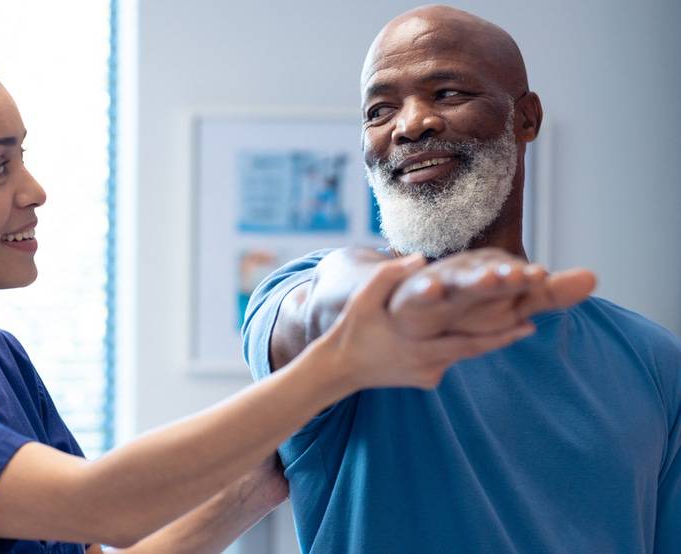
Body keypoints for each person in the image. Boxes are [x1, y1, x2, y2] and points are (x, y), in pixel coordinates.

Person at [0, 40, 546, 554]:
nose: (34, 191)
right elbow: (103, 505)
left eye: (26, 158)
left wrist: (258, 484)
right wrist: (337, 365)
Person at [243, 5, 681, 553]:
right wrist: (386, 298)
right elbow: (320, 309)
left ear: (527, 118)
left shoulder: (653, 360)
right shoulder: (310, 301)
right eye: (380, 110)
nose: (410, 124)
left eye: (447, 93)